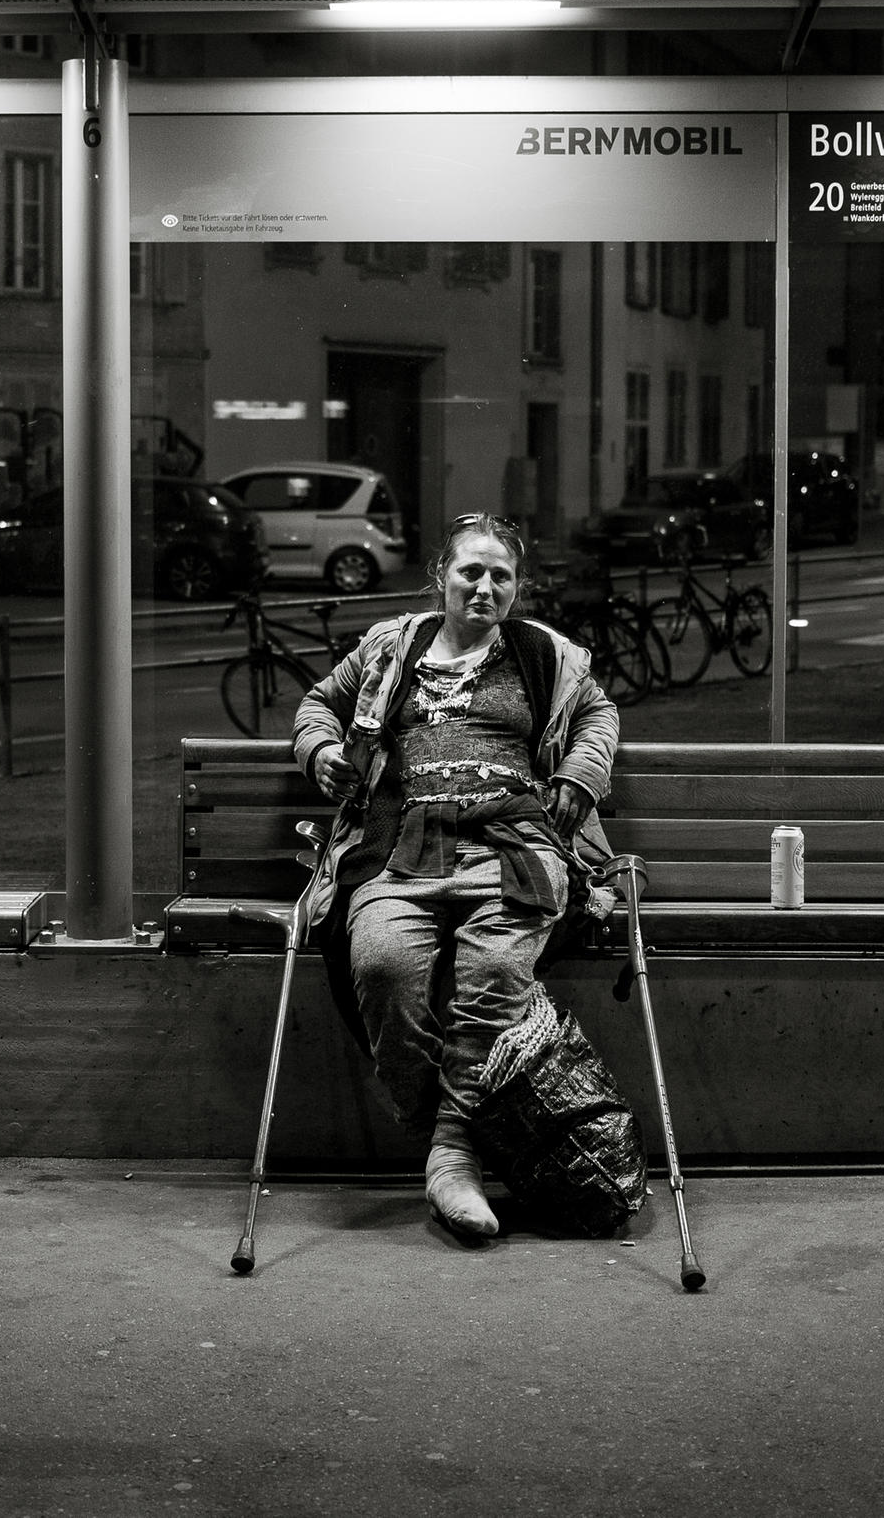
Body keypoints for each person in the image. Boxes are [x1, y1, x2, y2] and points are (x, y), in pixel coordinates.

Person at [293, 514, 619, 1240]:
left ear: (516, 586)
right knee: (380, 966)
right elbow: (318, 704)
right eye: (472, 570)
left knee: (497, 970)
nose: (486, 585)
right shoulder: (390, 646)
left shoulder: (543, 653)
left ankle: (450, 1157)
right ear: (441, 575)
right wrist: (320, 752)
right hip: (398, 846)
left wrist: (580, 772)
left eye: (501, 574)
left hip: (512, 843)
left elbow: (598, 713)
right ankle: (466, 1141)